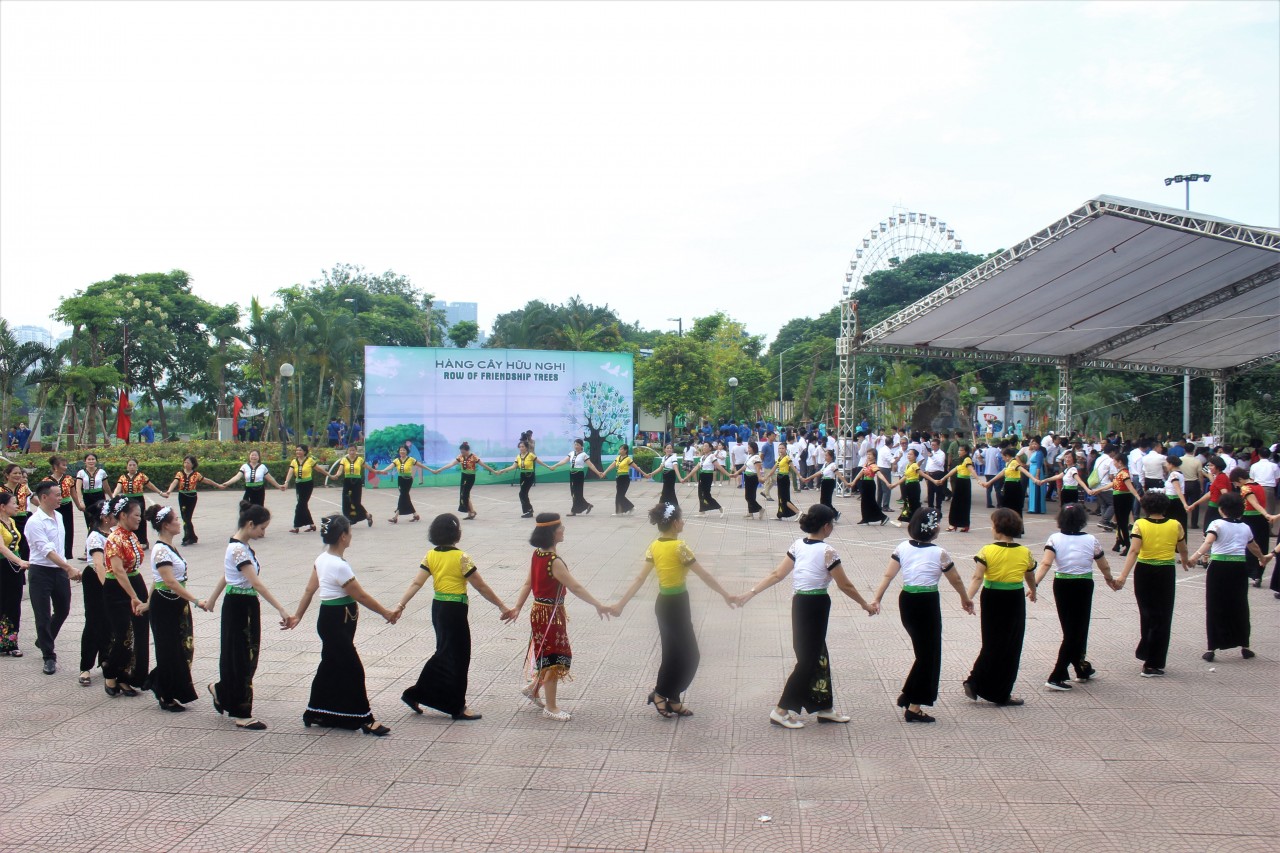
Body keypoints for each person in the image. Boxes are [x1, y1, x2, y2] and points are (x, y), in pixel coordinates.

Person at [738, 503, 875, 728]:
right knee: (808, 661)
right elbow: (845, 585)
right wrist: (865, 605)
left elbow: (776, 574)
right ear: (826, 526)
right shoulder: (828, 551)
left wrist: (751, 592)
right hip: (816, 605)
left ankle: (824, 707)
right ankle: (781, 710)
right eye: (831, 524)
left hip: (800, 603)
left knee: (818, 655)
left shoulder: (798, 545)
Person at [611, 503, 737, 718]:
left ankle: (672, 698)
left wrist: (621, 603)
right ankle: (662, 693)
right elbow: (704, 575)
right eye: (681, 519)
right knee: (690, 655)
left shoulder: (655, 546)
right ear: (674, 523)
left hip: (665, 604)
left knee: (674, 653)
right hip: (676, 604)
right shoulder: (679, 547)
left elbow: (640, 578)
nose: (684, 522)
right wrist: (726, 594)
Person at [397, 513, 511, 721]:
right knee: (458, 656)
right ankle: (456, 706)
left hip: (438, 608)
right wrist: (502, 606)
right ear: (456, 533)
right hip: (454, 610)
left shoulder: (431, 555)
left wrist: (401, 604)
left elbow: (416, 583)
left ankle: (416, 694)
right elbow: (481, 586)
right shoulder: (461, 557)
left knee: (444, 652)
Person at [291, 514, 398, 735]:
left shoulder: (322, 558)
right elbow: (362, 596)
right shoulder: (339, 566)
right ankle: (364, 718)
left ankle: (317, 711)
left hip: (332, 619)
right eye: (349, 532)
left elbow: (310, 590)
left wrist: (298, 616)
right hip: (336, 621)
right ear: (342, 536)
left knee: (330, 665)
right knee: (353, 669)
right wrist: (386, 613)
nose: (351, 536)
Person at [504, 513, 613, 721]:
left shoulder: (538, 554)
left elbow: (528, 583)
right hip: (550, 615)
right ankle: (551, 707)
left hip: (539, 611)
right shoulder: (554, 561)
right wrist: (598, 604)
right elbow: (575, 587)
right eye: (560, 527)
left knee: (547, 653)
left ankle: (533, 687)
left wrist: (518, 607)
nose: (563, 530)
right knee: (554, 658)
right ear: (552, 533)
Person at [869, 507, 974, 722]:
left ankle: (909, 695)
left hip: (907, 600)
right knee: (929, 655)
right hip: (926, 603)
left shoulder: (902, 547)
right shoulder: (939, 552)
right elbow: (956, 579)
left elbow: (888, 574)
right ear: (933, 529)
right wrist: (965, 598)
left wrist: (877, 598)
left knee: (924, 653)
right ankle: (914, 707)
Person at [204, 502, 294, 730]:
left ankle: (223, 690)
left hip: (244, 603)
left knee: (243, 654)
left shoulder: (241, 546)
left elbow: (227, 575)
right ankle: (240, 712)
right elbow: (255, 583)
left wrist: (213, 599)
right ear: (250, 524)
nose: (263, 533)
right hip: (239, 605)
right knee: (241, 657)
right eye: (262, 528)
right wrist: (281, 609)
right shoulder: (237, 549)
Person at [1031, 503, 1115, 691]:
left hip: (1061, 585)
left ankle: (1081, 667)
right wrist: (1110, 580)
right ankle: (1057, 675)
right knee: (1076, 630)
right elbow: (1104, 564)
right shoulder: (1091, 540)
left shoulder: (1054, 538)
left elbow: (1045, 563)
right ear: (1082, 521)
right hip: (1083, 585)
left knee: (1071, 628)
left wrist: (1034, 584)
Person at [962, 508, 1036, 706]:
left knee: (991, 642)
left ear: (997, 528)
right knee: (1011, 645)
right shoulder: (1024, 552)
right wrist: (1033, 590)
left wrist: (967, 598)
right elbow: (1029, 575)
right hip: (1014, 598)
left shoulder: (987, 550)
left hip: (991, 597)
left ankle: (975, 680)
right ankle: (1000, 692)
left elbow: (978, 577)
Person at [1113, 492, 1190, 678]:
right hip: (1166, 572)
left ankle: (1146, 649)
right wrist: (1186, 562)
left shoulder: (1140, 524)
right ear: (1166, 507)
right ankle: (1153, 662)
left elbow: (1134, 551)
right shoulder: (1175, 525)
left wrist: (1123, 576)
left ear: (1146, 507)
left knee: (1147, 613)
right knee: (1163, 616)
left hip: (1144, 571)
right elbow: (1183, 549)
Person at [1187, 493, 1264, 663]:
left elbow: (1208, 542)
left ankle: (1211, 648)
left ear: (1221, 509)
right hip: (1239, 568)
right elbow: (1254, 546)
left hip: (1219, 568)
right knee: (1240, 604)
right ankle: (1245, 646)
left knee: (1215, 605)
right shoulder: (1245, 527)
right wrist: (1262, 558)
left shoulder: (1217, 524)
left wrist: (1194, 556)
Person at [143, 504, 204, 712]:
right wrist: (196, 600)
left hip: (173, 601)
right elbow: (168, 581)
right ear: (166, 525)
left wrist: (147, 602)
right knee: (168, 649)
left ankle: (162, 683)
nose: (179, 522)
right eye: (176, 520)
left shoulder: (168, 547)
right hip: (166, 603)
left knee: (179, 648)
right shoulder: (160, 550)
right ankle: (165, 693)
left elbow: (157, 580)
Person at [25, 480, 83, 675]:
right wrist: (69, 568)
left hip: (58, 571)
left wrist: (64, 568)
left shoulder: (58, 515)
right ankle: (49, 656)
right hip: (40, 572)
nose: (60, 498)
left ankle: (43, 640)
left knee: (63, 609)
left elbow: (59, 547)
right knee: (42, 615)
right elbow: (46, 550)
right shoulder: (34, 522)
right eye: (57, 495)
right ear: (43, 497)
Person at [101, 495, 148, 695]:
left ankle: (127, 676)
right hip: (118, 588)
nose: (139, 519)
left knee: (139, 634)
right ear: (123, 515)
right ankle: (111, 673)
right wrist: (133, 596)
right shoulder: (114, 539)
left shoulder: (132, 535)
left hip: (135, 582)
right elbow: (118, 571)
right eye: (136, 515)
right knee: (124, 635)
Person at [77, 500, 113, 686]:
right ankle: (85, 667)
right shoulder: (95, 536)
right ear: (105, 518)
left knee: (109, 620)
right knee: (93, 621)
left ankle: (106, 658)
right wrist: (107, 587)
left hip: (110, 577)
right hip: (96, 579)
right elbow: (98, 564)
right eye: (113, 514)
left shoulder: (113, 533)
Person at [1231, 468, 1279, 587]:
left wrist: (1266, 514)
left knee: (1248, 547)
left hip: (1250, 520)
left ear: (1240, 479)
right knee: (1262, 546)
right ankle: (1258, 575)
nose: (1236, 485)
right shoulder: (1258, 485)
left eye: (1235, 482)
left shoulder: (1245, 488)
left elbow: (1255, 504)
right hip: (1261, 521)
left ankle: (1250, 573)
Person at [432, 442, 498, 520]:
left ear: (467, 450)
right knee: (464, 494)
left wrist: (493, 471)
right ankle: (471, 513)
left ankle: (472, 511)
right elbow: (451, 464)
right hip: (464, 476)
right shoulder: (460, 457)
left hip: (471, 477)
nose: (462, 453)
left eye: (463, 451)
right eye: (461, 452)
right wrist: (440, 470)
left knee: (465, 495)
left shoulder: (473, 457)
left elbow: (483, 465)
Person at [166, 455, 223, 547]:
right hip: (182, 496)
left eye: (188, 462)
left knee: (187, 517)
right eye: (185, 462)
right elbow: (175, 482)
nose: (186, 464)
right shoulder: (180, 473)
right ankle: (191, 537)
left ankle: (188, 537)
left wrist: (218, 485)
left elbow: (207, 481)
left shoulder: (196, 475)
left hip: (192, 497)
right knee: (185, 517)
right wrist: (169, 491)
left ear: (193, 464)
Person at [0, 491, 30, 657]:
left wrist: (20, 561)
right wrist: (19, 561)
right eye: (13, 503)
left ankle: (11, 642)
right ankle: (5, 642)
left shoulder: (11, 521)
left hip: (14, 568)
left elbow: (16, 545)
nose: (17, 505)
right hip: (3, 567)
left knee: (14, 604)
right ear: (3, 507)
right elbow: (2, 547)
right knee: (3, 603)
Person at [111, 458, 164, 547]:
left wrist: (160, 493)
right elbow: (118, 487)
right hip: (127, 500)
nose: (132, 467)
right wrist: (114, 496)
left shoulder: (141, 476)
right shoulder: (123, 477)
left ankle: (143, 541)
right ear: (127, 467)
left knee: (141, 520)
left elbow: (150, 485)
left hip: (139, 499)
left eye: (134, 465)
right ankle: (130, 540)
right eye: (130, 465)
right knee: (128, 519)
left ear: (137, 467)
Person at [497, 440, 554, 519]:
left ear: (526, 447)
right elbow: (513, 466)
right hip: (522, 475)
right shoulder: (518, 456)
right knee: (523, 494)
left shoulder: (531, 455)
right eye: (520, 447)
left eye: (523, 446)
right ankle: (528, 510)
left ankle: (529, 510)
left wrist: (548, 467)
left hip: (529, 475)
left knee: (522, 493)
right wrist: (502, 471)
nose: (521, 448)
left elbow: (539, 462)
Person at [376, 445, 430, 524]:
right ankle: (415, 515)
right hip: (400, 480)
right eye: (401, 450)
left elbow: (420, 465)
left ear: (407, 451)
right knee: (405, 497)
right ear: (399, 451)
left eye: (404, 450)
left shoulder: (411, 459)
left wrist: (430, 470)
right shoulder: (397, 460)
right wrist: (383, 470)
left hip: (408, 480)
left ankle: (395, 517)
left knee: (403, 496)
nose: (402, 452)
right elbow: (390, 466)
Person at [43, 456, 83, 561]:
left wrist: (79, 505)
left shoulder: (68, 479)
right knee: (53, 530)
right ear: (55, 467)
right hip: (53, 507)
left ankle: (66, 554)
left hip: (66, 507)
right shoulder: (46, 480)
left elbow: (73, 493)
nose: (65, 467)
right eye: (63, 465)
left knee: (67, 529)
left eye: (66, 465)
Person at [928, 443, 975, 532]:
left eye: (961, 450)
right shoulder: (960, 460)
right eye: (959, 450)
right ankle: (954, 524)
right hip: (959, 483)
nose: (959, 452)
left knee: (964, 504)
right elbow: (954, 470)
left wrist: (979, 480)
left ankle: (964, 524)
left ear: (966, 452)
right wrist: (943, 478)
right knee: (955, 504)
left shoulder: (967, 459)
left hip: (965, 483)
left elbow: (971, 470)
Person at [979, 446, 1031, 524]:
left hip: (1014, 487)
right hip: (1008, 487)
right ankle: (1008, 527)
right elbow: (1001, 473)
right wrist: (989, 482)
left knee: (1014, 508)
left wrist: (1034, 479)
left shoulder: (1014, 462)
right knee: (1007, 508)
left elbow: (1024, 471)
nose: (1002, 458)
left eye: (1003, 456)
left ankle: (1015, 528)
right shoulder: (1008, 464)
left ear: (1007, 456)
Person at [325, 445, 373, 528]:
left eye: (353, 450)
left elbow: (368, 467)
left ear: (356, 451)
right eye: (350, 450)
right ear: (348, 451)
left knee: (356, 502)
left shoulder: (360, 459)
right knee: (346, 501)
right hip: (347, 482)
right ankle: (348, 519)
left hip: (357, 482)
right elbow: (340, 470)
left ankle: (366, 515)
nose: (352, 452)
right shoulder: (344, 460)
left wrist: (377, 471)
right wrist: (336, 475)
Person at [220, 449, 285, 508]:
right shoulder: (244, 466)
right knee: (245, 507)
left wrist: (278, 486)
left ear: (259, 457)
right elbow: (237, 477)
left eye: (255, 455)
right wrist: (227, 483)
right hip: (249, 490)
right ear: (249, 456)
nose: (254, 457)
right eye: (252, 455)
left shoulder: (262, 467)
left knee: (258, 509)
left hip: (259, 491)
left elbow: (270, 478)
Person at [554, 439, 603, 516]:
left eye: (577, 445)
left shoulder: (584, 455)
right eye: (575, 444)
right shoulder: (571, 453)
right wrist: (555, 466)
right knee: (574, 493)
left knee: (577, 493)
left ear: (581, 446)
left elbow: (590, 465)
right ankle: (587, 505)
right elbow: (564, 461)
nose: (576, 446)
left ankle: (573, 511)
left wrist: (598, 472)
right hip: (572, 474)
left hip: (579, 474)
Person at [801, 448, 849, 522]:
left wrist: (846, 483)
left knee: (827, 501)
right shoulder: (826, 464)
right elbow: (820, 472)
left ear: (831, 457)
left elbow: (839, 475)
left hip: (829, 482)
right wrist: (809, 478)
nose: (825, 457)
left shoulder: (833, 465)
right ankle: (828, 515)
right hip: (824, 482)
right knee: (823, 500)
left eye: (826, 455)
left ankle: (834, 514)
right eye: (825, 455)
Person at [75, 453, 110, 550]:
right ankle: (89, 548)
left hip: (99, 498)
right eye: (89, 459)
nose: (91, 461)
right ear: (85, 461)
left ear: (96, 461)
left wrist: (112, 497)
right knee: (90, 523)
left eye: (93, 459)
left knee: (101, 522)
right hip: (87, 498)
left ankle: (104, 546)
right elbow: (78, 488)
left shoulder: (101, 472)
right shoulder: (81, 473)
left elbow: (106, 487)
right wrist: (80, 501)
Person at [282, 445, 319, 534]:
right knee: (303, 505)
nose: (298, 452)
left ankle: (296, 526)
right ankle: (312, 525)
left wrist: (329, 475)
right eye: (297, 450)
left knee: (300, 505)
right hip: (299, 485)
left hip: (308, 485)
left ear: (305, 452)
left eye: (300, 450)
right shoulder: (294, 461)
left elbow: (319, 469)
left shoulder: (310, 460)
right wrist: (286, 482)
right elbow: (290, 472)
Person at [2, 464, 33, 561]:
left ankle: (22, 564)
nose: (18, 475)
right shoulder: (1, 489)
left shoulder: (24, 488)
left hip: (23, 519)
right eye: (15, 473)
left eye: (19, 473)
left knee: (24, 545)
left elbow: (32, 499)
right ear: (7, 475)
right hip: (6, 520)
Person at [886, 448, 923, 528]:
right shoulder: (908, 465)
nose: (909, 456)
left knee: (914, 504)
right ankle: (912, 520)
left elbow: (922, 474)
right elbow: (905, 477)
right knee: (908, 504)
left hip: (914, 486)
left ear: (915, 456)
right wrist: (895, 485)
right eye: (908, 454)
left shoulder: (914, 465)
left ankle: (909, 520)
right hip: (908, 486)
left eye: (911, 454)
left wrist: (934, 480)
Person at [730, 441, 767, 520]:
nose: (748, 449)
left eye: (749, 448)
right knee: (749, 495)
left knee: (749, 496)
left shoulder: (756, 457)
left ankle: (760, 509)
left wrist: (759, 477)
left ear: (753, 448)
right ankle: (750, 513)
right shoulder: (749, 456)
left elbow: (758, 468)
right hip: (747, 476)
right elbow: (745, 466)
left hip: (753, 477)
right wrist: (737, 472)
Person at [597, 444, 637, 516]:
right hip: (618, 478)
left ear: (625, 450)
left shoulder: (628, 459)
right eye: (620, 449)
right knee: (619, 495)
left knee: (620, 495)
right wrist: (604, 473)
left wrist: (644, 474)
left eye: (621, 449)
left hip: (625, 478)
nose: (620, 450)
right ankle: (622, 510)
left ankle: (625, 509)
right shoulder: (618, 458)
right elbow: (612, 466)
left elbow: (636, 467)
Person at [851, 458, 890, 526]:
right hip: (864, 484)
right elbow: (860, 473)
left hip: (870, 484)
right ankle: (865, 519)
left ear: (874, 456)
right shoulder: (866, 464)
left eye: (870, 455)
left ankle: (883, 517)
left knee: (871, 502)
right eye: (868, 454)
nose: (868, 456)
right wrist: (854, 482)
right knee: (864, 503)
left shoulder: (873, 466)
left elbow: (879, 474)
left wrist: (887, 483)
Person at [691, 442, 726, 516]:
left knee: (706, 495)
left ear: (710, 448)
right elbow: (696, 468)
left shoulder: (712, 456)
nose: (704, 447)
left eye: (706, 446)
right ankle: (702, 511)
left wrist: (728, 474)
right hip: (702, 475)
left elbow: (719, 467)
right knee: (700, 494)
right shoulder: (702, 457)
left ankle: (720, 508)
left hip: (708, 476)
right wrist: (686, 478)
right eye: (703, 446)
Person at [773, 442, 800, 520]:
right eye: (779, 448)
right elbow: (774, 469)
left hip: (784, 478)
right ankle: (780, 514)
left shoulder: (787, 458)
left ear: (785, 449)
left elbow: (793, 468)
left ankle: (798, 512)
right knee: (780, 497)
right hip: (779, 478)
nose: (781, 450)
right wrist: (766, 477)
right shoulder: (778, 458)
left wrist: (799, 476)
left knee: (784, 499)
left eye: (782, 448)